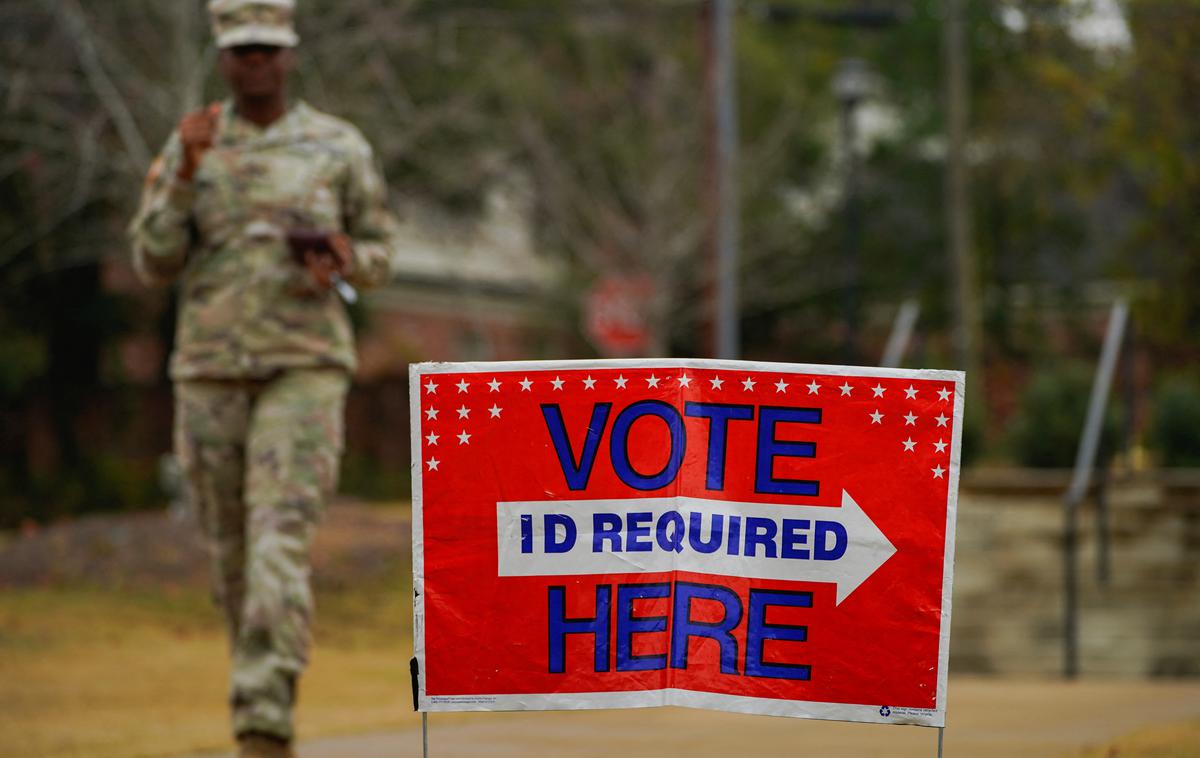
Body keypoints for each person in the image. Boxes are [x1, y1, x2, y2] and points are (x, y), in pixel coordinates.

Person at [128, 1, 399, 756]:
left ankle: (262, 724)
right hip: (210, 373)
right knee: (232, 559)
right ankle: (261, 695)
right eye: (242, 49)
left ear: (290, 53)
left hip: (304, 368)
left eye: (267, 48)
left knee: (279, 545)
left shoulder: (337, 146)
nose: (255, 61)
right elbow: (152, 260)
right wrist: (181, 173)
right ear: (222, 55)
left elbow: (381, 251)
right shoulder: (191, 145)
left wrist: (343, 260)